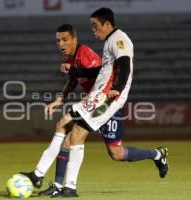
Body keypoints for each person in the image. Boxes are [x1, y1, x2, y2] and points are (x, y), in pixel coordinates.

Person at [49, 8, 169, 198]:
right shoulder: (109, 43)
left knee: (89, 139)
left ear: (107, 24)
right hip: (99, 98)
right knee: (95, 145)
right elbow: (100, 72)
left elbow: (125, 65)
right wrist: (75, 71)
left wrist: (118, 88)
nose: (94, 32)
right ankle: (62, 185)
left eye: (96, 27)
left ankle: (67, 186)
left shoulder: (119, 39)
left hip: (108, 100)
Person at [21, 23, 103, 195]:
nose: (61, 44)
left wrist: (75, 74)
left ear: (75, 39)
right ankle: (57, 185)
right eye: (58, 40)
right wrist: (59, 100)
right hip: (93, 101)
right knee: (67, 137)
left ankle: (43, 177)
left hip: (103, 101)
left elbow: (100, 76)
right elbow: (73, 80)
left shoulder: (86, 55)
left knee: (67, 127)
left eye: (65, 40)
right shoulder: (70, 58)